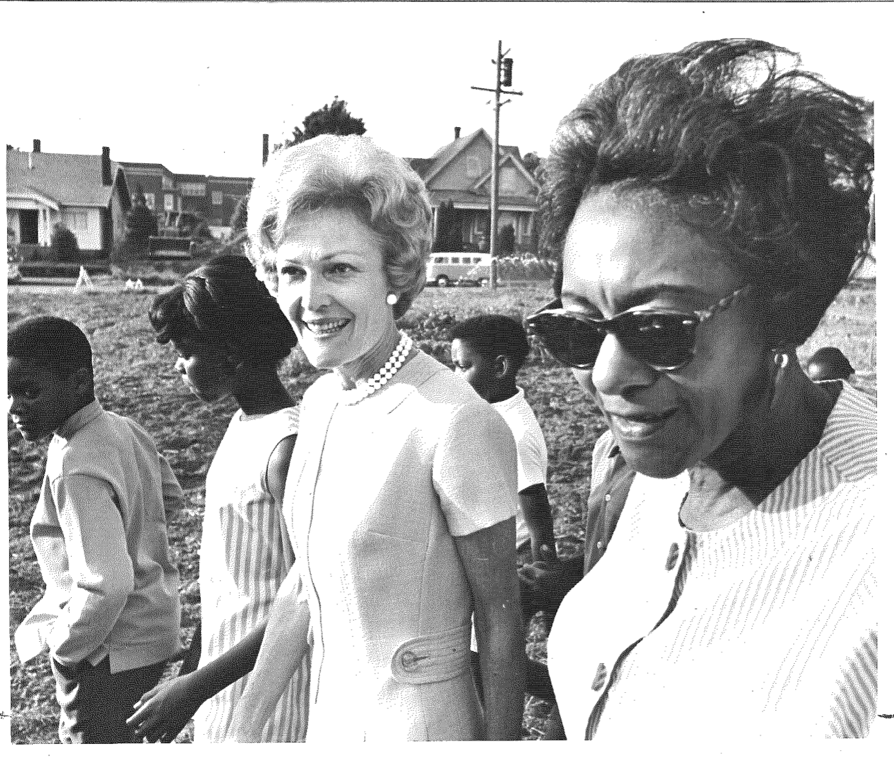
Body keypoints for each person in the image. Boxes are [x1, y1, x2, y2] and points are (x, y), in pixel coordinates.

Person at [524, 39, 878, 740]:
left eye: (659, 329)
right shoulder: (670, 465)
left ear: (783, 309)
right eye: (576, 329)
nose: (605, 374)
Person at [226, 135, 525, 741]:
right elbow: (306, 583)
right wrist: (243, 727)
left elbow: (501, 619)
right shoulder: (319, 402)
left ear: (395, 274)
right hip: (329, 726)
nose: (311, 299)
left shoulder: (453, 420)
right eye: (292, 271)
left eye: (340, 268)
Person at [127, 254, 308, 743]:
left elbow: (307, 596)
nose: (179, 367)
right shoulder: (243, 424)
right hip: (219, 676)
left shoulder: (286, 448)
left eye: (187, 352)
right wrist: (190, 675)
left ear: (234, 351)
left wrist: (195, 687)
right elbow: (226, 579)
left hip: (272, 689)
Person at [8, 316, 182, 743]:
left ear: (79, 382)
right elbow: (171, 497)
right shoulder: (124, 428)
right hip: (152, 632)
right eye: (8, 393)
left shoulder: (75, 463)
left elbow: (107, 585)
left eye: (30, 391)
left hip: (106, 648)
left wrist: (67, 650)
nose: (14, 407)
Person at [449, 314, 557, 565]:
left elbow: (539, 524)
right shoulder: (490, 412)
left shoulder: (515, 432)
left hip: (511, 557)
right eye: (453, 365)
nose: (455, 376)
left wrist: (543, 581)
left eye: (463, 367)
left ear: (500, 368)